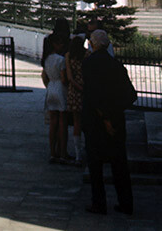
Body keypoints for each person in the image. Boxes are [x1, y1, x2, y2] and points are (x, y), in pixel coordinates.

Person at [82, 29, 136, 216]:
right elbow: (131, 95)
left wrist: (105, 118)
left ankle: (99, 203)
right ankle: (126, 203)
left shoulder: (89, 65)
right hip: (116, 123)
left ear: (93, 44)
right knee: (119, 165)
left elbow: (92, 95)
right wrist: (114, 112)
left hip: (96, 123)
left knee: (95, 166)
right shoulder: (116, 66)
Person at [43, 33, 69, 163]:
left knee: (52, 122)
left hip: (50, 87)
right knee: (62, 122)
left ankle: (53, 152)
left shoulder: (46, 59)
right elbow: (64, 78)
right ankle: (63, 153)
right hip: (60, 88)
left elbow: (45, 76)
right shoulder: (61, 60)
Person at [63, 34, 87, 164]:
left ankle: (78, 153)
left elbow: (70, 77)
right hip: (86, 89)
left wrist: (77, 87)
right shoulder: (87, 55)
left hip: (74, 91)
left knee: (76, 122)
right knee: (87, 121)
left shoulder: (68, 56)